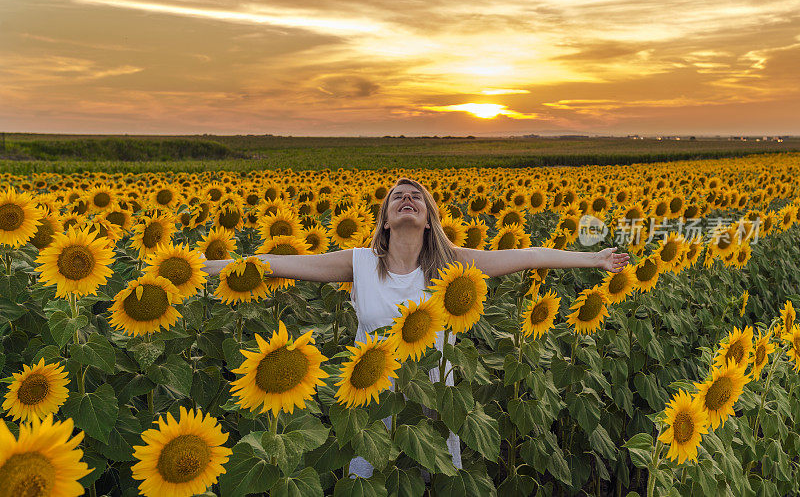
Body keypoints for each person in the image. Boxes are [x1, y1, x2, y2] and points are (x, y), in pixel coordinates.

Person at [201, 177, 630, 477]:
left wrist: (594, 259)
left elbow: (530, 256)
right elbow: (276, 264)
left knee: (437, 477)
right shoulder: (360, 263)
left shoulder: (451, 265)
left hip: (435, 399)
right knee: (369, 480)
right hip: (371, 400)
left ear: (429, 219)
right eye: (397, 198)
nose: (407, 200)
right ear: (385, 219)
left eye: (416, 198)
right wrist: (194, 270)